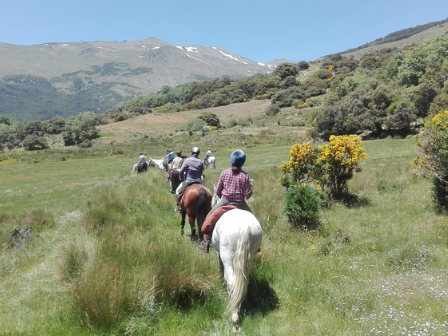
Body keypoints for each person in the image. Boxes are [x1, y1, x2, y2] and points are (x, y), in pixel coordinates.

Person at [201, 149, 252, 252]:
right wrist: (250, 187)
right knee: (253, 219)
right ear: (242, 162)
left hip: (225, 201)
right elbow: (248, 195)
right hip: (240, 203)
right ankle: (256, 246)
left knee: (208, 217)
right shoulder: (245, 176)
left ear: (231, 160)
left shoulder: (224, 173)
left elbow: (218, 191)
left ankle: (205, 243)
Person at [174, 146, 205, 213]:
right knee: (207, 192)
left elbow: (181, 170)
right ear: (198, 153)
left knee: (177, 191)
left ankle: (178, 206)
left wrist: (181, 178)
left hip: (189, 180)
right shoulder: (200, 161)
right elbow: (201, 171)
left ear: (191, 153)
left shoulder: (187, 160)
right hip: (199, 180)